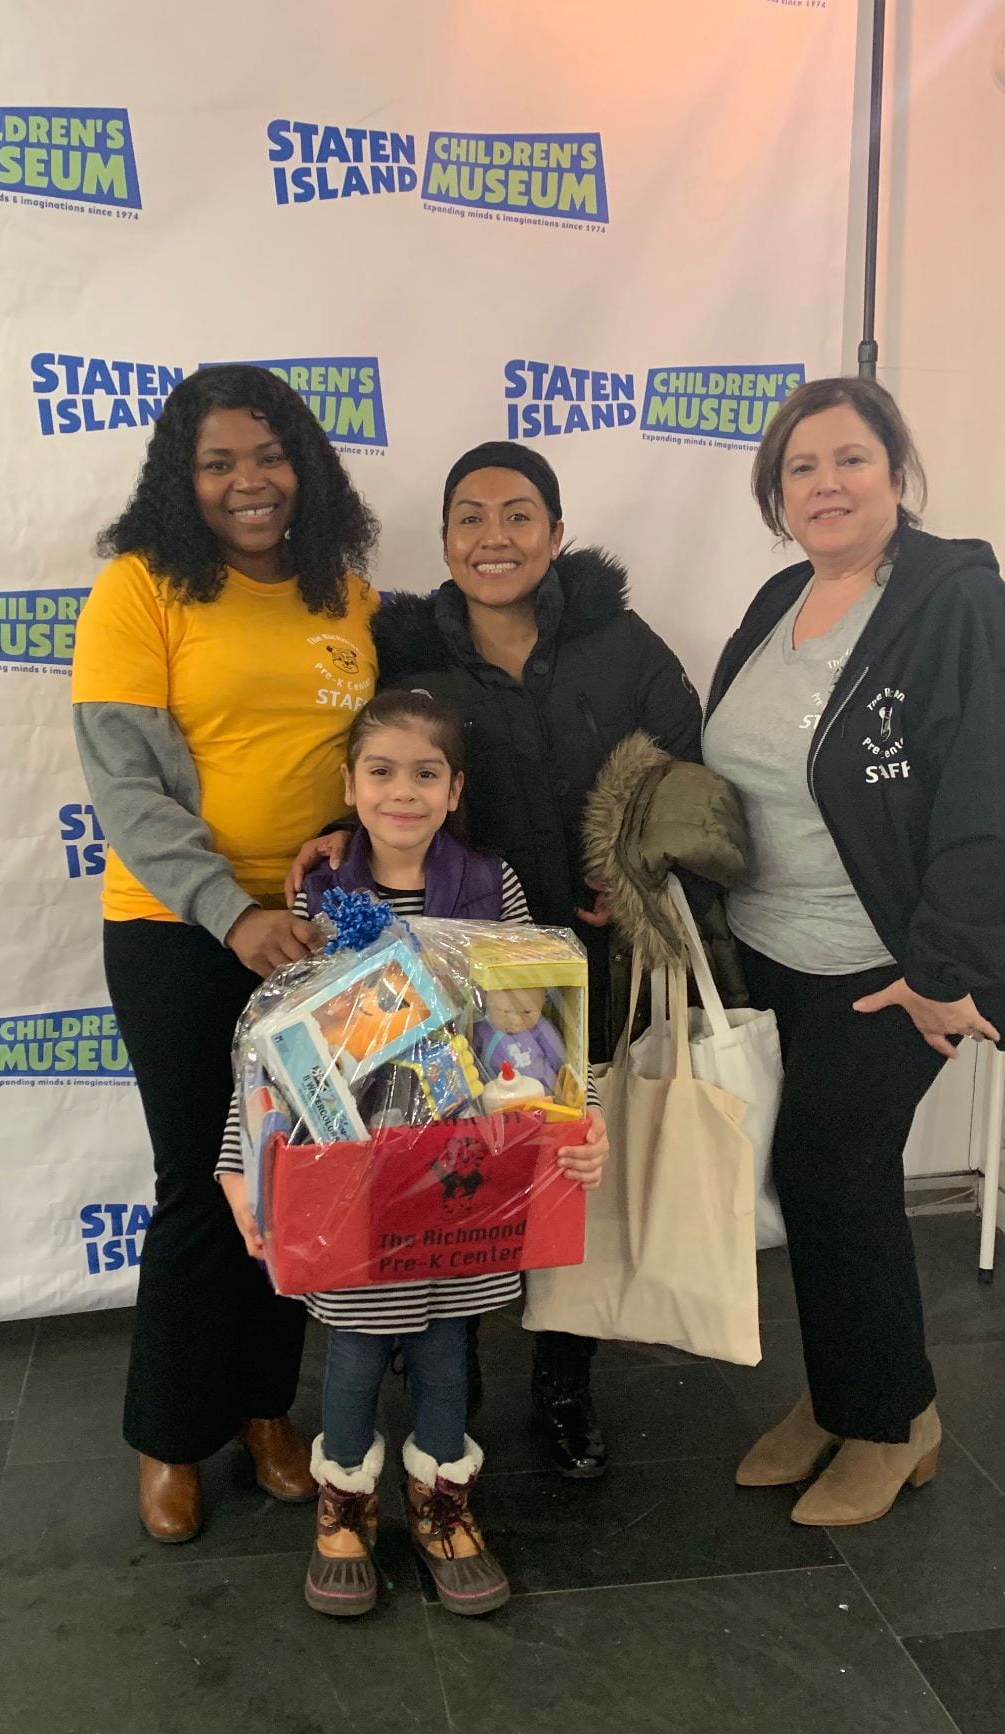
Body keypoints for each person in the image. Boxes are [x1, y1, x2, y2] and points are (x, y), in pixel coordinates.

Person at [286, 442, 701, 1477]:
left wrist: (643, 867)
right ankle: (452, 1362)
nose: (494, 537)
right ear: (445, 542)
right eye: (470, 517)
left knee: (565, 1164)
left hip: (588, 966)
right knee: (445, 1156)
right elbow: (377, 763)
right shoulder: (411, 658)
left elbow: (684, 771)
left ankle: (564, 1381)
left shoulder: (621, 644)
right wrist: (340, 834)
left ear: (556, 534)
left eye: (519, 515)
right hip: (443, 969)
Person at [71, 364, 380, 1544]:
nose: (248, 481)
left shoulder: (344, 592)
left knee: (296, 1182)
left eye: (267, 454)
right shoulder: (138, 591)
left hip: (314, 934)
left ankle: (263, 1412)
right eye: (217, 462)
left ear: (302, 463)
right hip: (176, 934)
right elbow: (129, 789)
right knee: (206, 1186)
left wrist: (349, 841)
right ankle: (168, 1438)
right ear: (181, 479)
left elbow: (368, 755)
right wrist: (228, 910)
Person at [216, 690, 608, 1617]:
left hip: (466, 1175)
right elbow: (268, 1049)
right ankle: (343, 1504)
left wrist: (579, 1128)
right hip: (348, 1177)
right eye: (381, 771)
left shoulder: (493, 887)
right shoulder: (314, 897)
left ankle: (444, 1506)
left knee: (445, 1345)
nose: (403, 791)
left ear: (455, 787)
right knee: (352, 1350)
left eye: (425, 773)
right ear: (349, 786)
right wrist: (238, 1165)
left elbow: (541, 1026)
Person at [701, 374, 1005, 1526]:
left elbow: (988, 796)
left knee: (843, 1176)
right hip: (776, 956)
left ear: (896, 473)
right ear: (776, 495)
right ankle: (838, 1399)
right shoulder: (784, 597)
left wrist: (944, 969)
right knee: (811, 1180)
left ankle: (897, 1423)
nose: (825, 484)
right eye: (801, 469)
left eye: (849, 460)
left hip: (889, 968)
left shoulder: (955, 605)